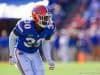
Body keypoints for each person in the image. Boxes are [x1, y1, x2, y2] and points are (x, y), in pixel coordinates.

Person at [9, 5, 55, 75]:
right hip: (21, 52)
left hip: (35, 52)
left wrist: (48, 58)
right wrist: (12, 55)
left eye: (47, 17)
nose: (46, 20)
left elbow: (46, 42)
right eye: (43, 17)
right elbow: (12, 37)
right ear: (36, 17)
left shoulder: (49, 27)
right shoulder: (24, 25)